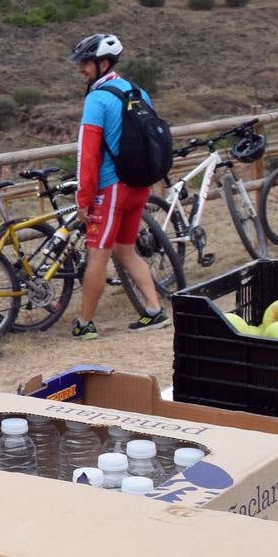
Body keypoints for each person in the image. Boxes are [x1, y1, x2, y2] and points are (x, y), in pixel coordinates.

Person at [68, 33, 170, 339]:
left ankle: (85, 323)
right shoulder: (138, 91)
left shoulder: (97, 100)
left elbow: (87, 154)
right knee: (126, 251)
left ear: (102, 63)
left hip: (110, 190)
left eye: (85, 63)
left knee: (98, 256)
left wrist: (83, 199)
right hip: (138, 186)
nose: (81, 70)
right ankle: (154, 311)